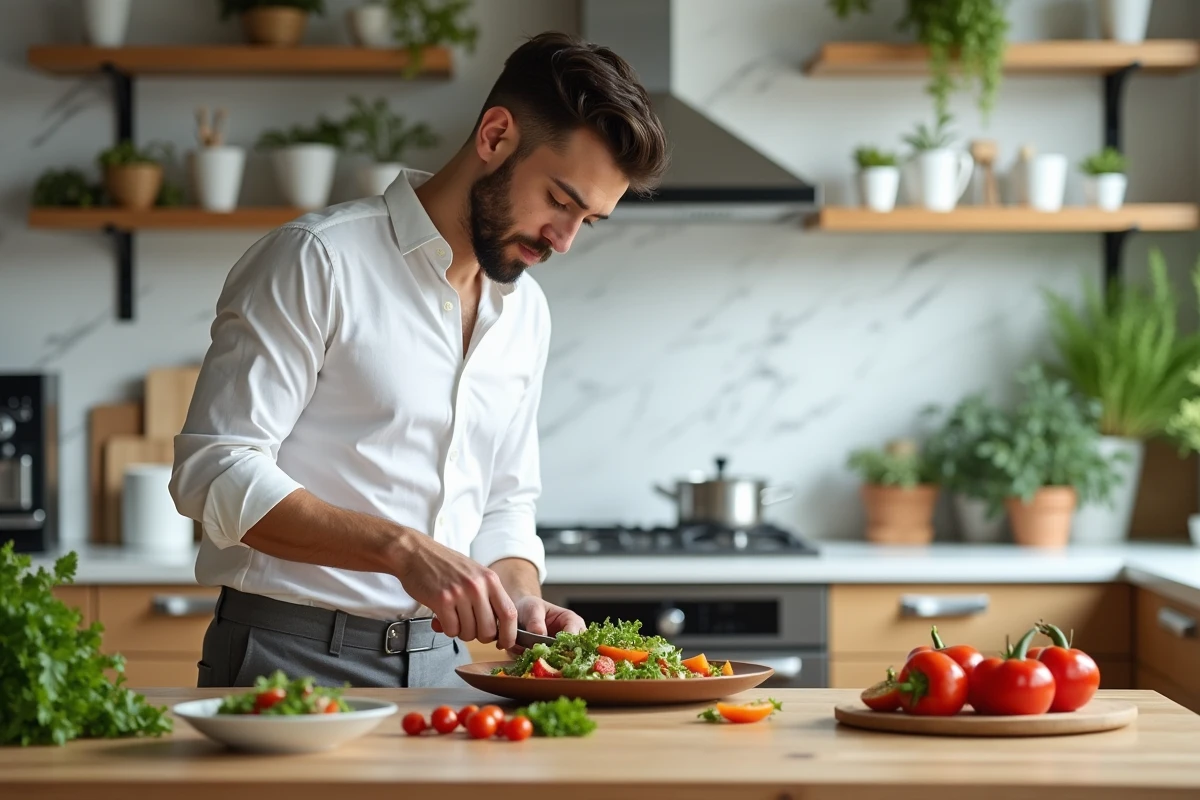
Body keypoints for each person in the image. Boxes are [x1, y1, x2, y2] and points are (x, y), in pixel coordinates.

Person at [169, 30, 670, 688]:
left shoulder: (524, 312)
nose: (565, 240)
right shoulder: (317, 261)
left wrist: (519, 593)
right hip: (286, 660)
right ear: (495, 136)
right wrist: (402, 550)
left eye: (589, 221)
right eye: (559, 200)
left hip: (444, 669)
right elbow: (213, 470)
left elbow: (505, 503)